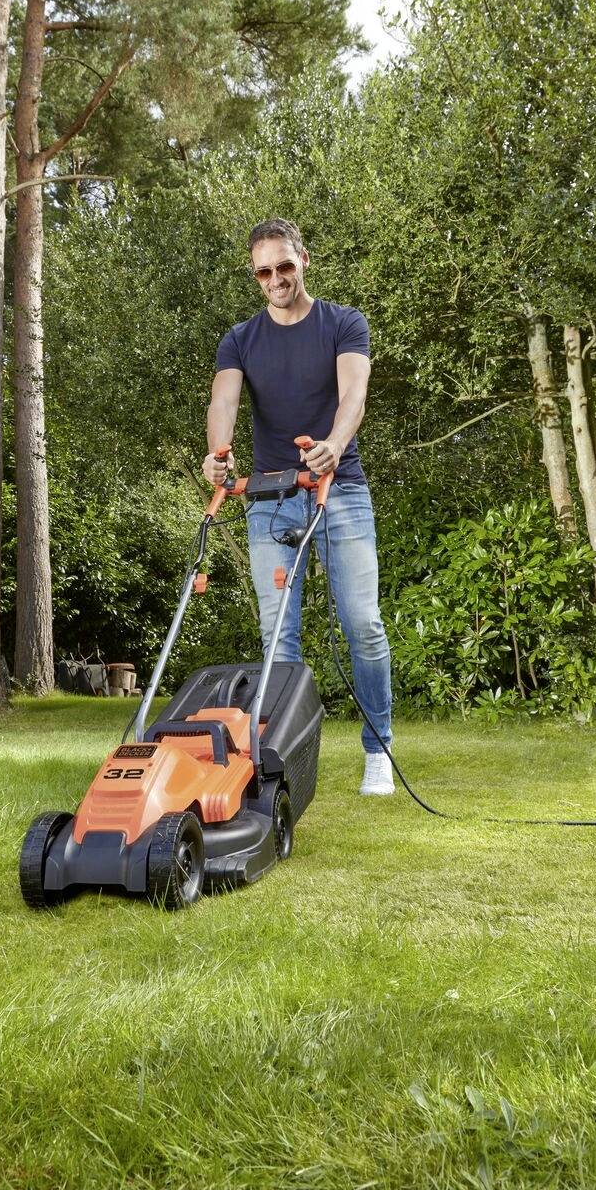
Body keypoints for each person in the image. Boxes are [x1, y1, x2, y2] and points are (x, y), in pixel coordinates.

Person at [202, 217, 395, 797]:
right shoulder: (240, 339)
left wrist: (335, 443)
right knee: (278, 637)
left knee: (363, 625)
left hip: (342, 491)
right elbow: (224, 400)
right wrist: (217, 455)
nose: (276, 278)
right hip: (269, 498)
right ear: (254, 274)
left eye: (284, 266)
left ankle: (378, 750)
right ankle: (280, 763)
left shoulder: (343, 323)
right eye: (264, 271)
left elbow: (354, 393)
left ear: (303, 260)